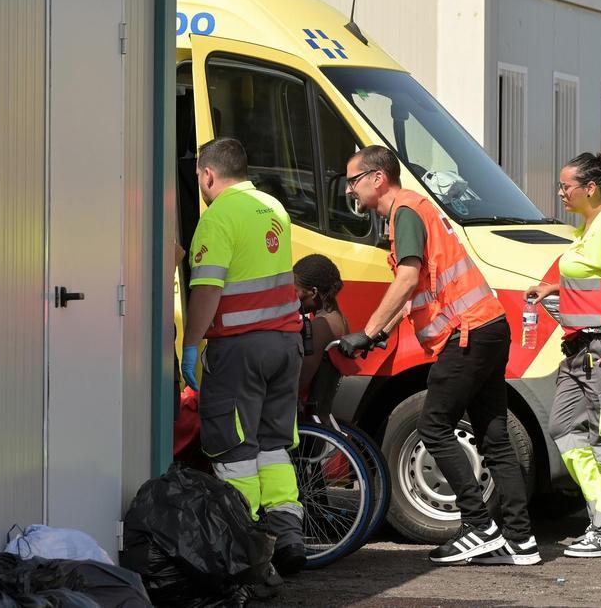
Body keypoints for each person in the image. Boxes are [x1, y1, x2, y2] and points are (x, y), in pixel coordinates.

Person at [337, 145, 539, 566]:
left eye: (354, 181)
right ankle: (520, 542)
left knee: (433, 425)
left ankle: (479, 526)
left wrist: (368, 330)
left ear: (378, 178)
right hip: (488, 327)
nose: (352, 192)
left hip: (466, 335)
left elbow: (408, 276)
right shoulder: (417, 210)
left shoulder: (405, 212)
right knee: (494, 436)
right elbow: (420, 289)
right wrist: (381, 335)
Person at [182, 137, 306, 576]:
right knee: (273, 446)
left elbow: (207, 290)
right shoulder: (273, 207)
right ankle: (288, 535)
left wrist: (191, 344)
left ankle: (246, 548)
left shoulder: (218, 217)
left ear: (208, 174)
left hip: (240, 349)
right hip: (286, 344)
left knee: (234, 449)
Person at [525, 151, 601, 558]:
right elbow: (596, 284)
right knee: (563, 427)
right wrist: (553, 290)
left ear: (590, 188)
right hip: (580, 349)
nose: (561, 192)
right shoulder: (590, 228)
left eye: (567, 186)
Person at [293, 253, 349, 420]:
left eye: (295, 291)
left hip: (308, 418)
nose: (292, 297)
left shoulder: (321, 326)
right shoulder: (339, 318)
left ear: (313, 292)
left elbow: (300, 380)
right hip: (323, 412)